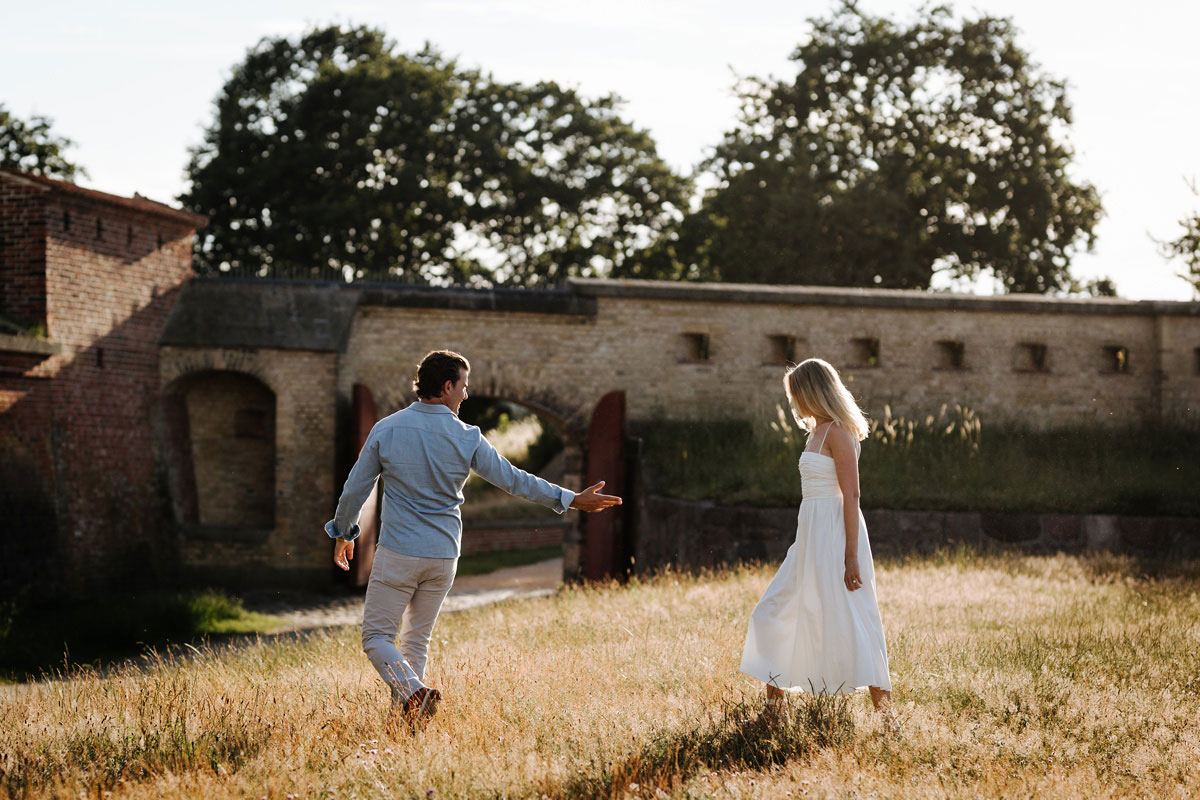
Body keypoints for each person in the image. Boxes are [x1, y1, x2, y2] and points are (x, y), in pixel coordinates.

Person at [325, 350, 621, 723]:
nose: (466, 395)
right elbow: (515, 480)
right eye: (463, 386)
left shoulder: (387, 429)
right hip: (444, 556)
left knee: (377, 639)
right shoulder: (467, 437)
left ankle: (414, 694)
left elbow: (355, 490)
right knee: (416, 640)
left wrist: (344, 532)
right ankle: (407, 722)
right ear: (447, 387)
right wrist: (572, 499)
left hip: (399, 552)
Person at [739, 357, 892, 715]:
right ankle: (773, 710)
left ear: (812, 391)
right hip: (809, 536)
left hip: (836, 534)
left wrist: (850, 556)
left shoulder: (838, 431)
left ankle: (887, 717)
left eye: (797, 394)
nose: (794, 403)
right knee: (774, 610)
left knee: (855, 616)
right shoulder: (816, 431)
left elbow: (851, 495)